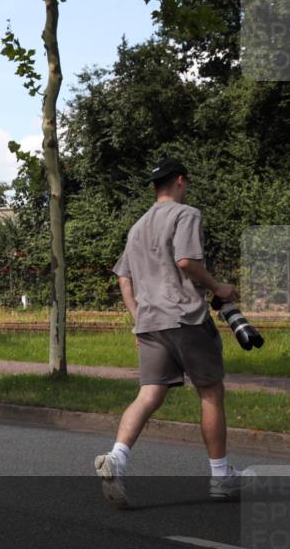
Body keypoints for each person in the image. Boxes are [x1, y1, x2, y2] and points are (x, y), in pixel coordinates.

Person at [95, 158, 253, 509]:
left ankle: (117, 458)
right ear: (180, 180)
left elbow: (124, 277)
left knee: (149, 394)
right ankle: (221, 476)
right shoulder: (186, 214)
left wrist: (139, 319)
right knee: (211, 392)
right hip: (186, 318)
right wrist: (218, 287)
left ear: (156, 186)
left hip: (151, 322)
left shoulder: (138, 227)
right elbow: (186, 261)